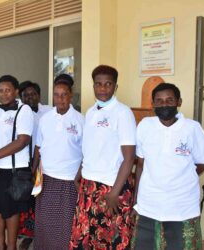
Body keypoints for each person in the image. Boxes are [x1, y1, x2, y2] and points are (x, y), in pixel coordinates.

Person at [131, 83, 204, 249]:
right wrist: (137, 201)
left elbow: (202, 163)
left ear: (179, 102)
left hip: (182, 208)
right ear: (152, 104)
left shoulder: (192, 128)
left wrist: (180, 177)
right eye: (159, 101)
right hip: (149, 207)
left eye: (169, 100)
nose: (164, 104)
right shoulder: (145, 126)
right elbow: (140, 164)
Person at [70, 65, 136, 249]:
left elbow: (129, 158)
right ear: (93, 86)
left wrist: (114, 192)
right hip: (88, 185)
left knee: (109, 241)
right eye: (98, 84)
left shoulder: (123, 113)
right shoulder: (90, 113)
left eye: (108, 84)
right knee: (86, 239)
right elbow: (90, 148)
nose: (103, 89)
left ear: (115, 87)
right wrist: (79, 175)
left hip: (112, 187)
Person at [0, 75, 34, 250]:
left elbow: (22, 140)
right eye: (1, 90)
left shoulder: (23, 110)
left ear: (16, 91)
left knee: (11, 210)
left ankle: (11, 246)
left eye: (8, 90)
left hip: (13, 170)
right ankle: (0, 244)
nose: (4, 94)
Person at [34, 74, 84, 250]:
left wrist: (78, 177)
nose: (60, 98)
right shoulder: (45, 119)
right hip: (46, 179)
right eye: (56, 94)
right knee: (45, 224)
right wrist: (34, 173)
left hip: (68, 182)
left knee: (65, 226)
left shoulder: (80, 120)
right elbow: (38, 148)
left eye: (64, 94)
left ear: (71, 96)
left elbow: (86, 153)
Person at [17, 81, 51, 250]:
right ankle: (27, 235)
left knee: (40, 198)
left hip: (43, 164)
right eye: (26, 95)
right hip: (24, 162)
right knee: (26, 199)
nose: (30, 97)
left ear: (39, 95)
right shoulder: (19, 113)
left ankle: (42, 233)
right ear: (21, 98)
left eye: (33, 94)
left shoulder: (49, 112)